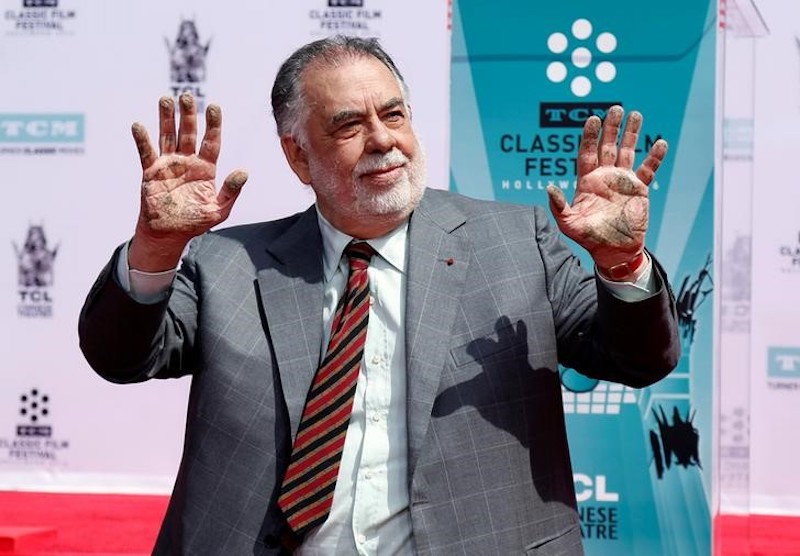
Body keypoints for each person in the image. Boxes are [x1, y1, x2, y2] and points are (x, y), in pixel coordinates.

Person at [78, 35, 679, 555]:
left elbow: (638, 359)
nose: (381, 141)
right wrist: (156, 246)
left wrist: (620, 262)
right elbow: (121, 355)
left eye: (393, 116)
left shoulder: (516, 242)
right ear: (297, 155)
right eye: (348, 125)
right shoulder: (229, 263)